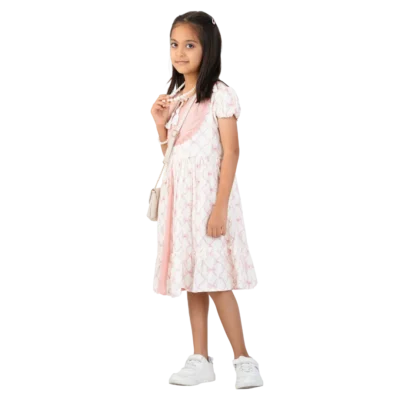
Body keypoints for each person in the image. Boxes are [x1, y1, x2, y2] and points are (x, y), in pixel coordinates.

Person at [150, 10, 262, 390]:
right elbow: (172, 159)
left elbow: (231, 153)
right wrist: (161, 127)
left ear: (209, 48)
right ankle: (199, 358)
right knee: (192, 280)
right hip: (181, 207)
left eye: (190, 45)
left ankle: (243, 359)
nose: (179, 53)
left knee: (217, 280)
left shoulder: (220, 94)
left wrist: (219, 207)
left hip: (209, 205)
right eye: (174, 44)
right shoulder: (176, 99)